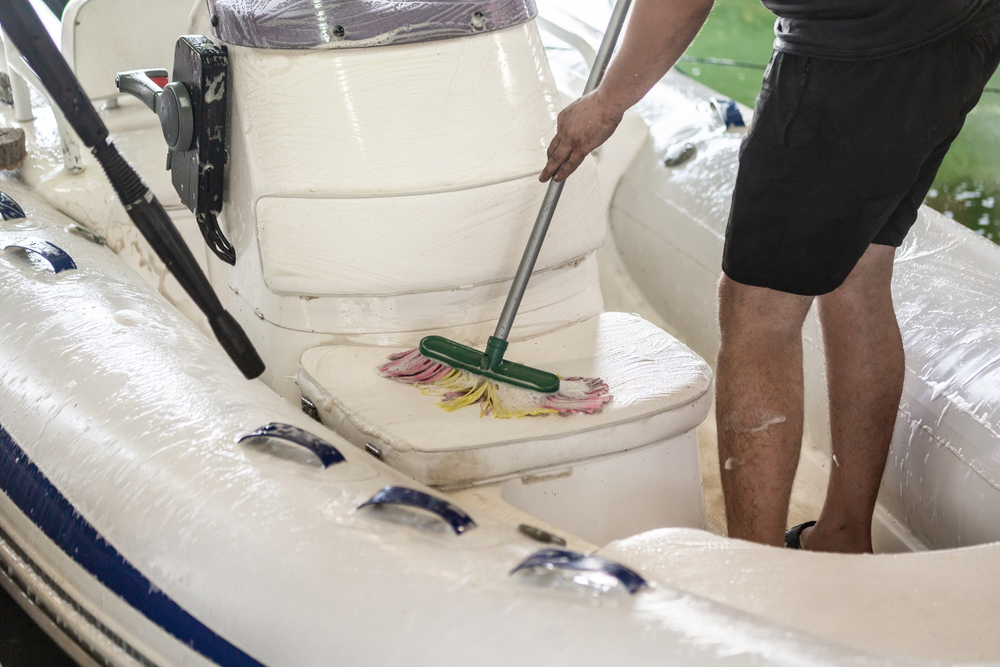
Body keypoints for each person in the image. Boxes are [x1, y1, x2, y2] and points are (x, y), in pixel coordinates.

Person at [541, 0, 1000, 552]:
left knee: (758, 309)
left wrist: (608, 101)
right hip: (959, 25)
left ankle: (757, 564)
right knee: (859, 266)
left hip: (854, 45)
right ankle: (843, 535)